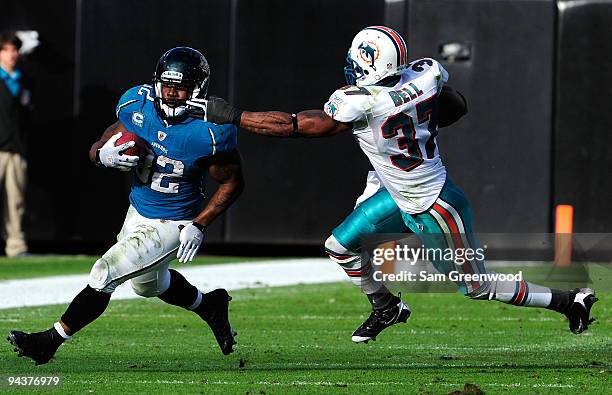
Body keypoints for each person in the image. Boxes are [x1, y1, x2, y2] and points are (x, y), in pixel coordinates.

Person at [196, 26, 598, 342]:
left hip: (435, 206)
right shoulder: (426, 74)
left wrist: (235, 115)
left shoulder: (359, 102)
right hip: (397, 192)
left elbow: (294, 126)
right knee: (339, 248)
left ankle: (570, 302)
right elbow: (457, 106)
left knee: (476, 286)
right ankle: (386, 306)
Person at [7, 47, 243, 365]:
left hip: (173, 222)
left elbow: (232, 182)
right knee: (148, 285)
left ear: (197, 90)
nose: (171, 96)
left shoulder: (210, 130)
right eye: (167, 86)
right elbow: (103, 142)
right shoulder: (138, 103)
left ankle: (48, 341)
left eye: (180, 88)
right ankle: (209, 305)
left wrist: (200, 223)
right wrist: (102, 154)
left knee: (105, 272)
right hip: (138, 209)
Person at [0, 31, 31, 257]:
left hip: (17, 149)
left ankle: (15, 246)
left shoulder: (24, 82)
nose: (12, 54)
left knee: (16, 200)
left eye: (15, 49)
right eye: (7, 49)